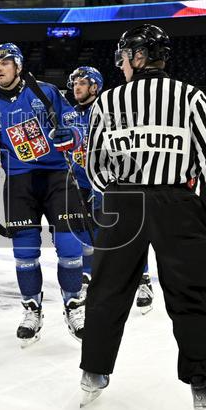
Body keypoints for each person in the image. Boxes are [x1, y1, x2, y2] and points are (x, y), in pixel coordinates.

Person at [79, 24, 206, 410]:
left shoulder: (108, 99)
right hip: (178, 205)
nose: (122, 65)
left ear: (139, 57)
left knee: (107, 290)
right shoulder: (189, 96)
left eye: (126, 57)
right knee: (191, 296)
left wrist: (116, 191)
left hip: (121, 203)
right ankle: (201, 386)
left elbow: (94, 164)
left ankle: (93, 372)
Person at [0, 43, 86, 346]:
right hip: (20, 184)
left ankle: (74, 305)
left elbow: (76, 125)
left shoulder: (46, 91)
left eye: (4, 62)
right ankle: (31, 310)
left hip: (59, 176)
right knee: (25, 253)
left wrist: (70, 137)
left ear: (18, 66)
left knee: (69, 244)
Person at [65, 65, 154, 313]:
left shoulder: (109, 111)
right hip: (80, 184)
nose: (76, 87)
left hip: (108, 183)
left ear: (95, 86)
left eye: (82, 82)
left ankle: (143, 279)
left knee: (123, 236)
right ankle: (87, 275)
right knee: (84, 233)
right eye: (74, 83)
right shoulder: (69, 115)